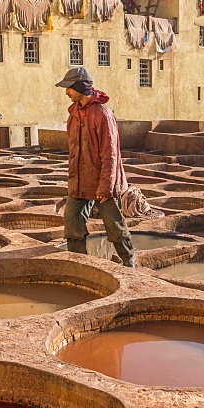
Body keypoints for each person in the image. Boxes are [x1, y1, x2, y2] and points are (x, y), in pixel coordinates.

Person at [56, 67, 135, 267]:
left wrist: (106, 186)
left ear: (79, 87)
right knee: (72, 222)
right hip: (79, 180)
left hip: (102, 182)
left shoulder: (102, 114)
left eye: (69, 88)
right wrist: (72, 179)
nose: (66, 92)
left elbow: (111, 154)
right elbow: (74, 150)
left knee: (114, 225)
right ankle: (78, 262)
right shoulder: (74, 113)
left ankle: (129, 261)